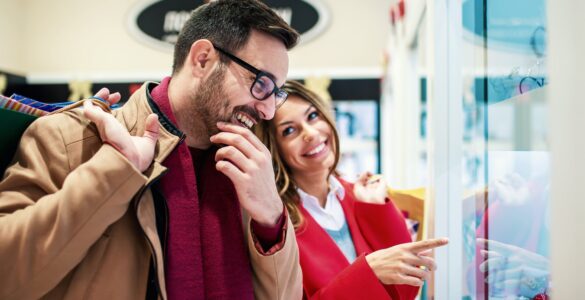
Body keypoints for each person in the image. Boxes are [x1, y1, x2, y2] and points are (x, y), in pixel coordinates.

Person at [0, 1, 302, 299]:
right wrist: (114, 171)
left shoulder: (249, 168)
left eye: (277, 93)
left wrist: (271, 219)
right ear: (202, 59)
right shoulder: (72, 139)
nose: (268, 111)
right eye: (261, 83)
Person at [256, 80, 449, 299]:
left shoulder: (361, 196)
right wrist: (369, 271)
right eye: (289, 130)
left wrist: (377, 210)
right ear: (274, 148)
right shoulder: (276, 223)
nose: (310, 133)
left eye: (312, 116)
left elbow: (407, 290)